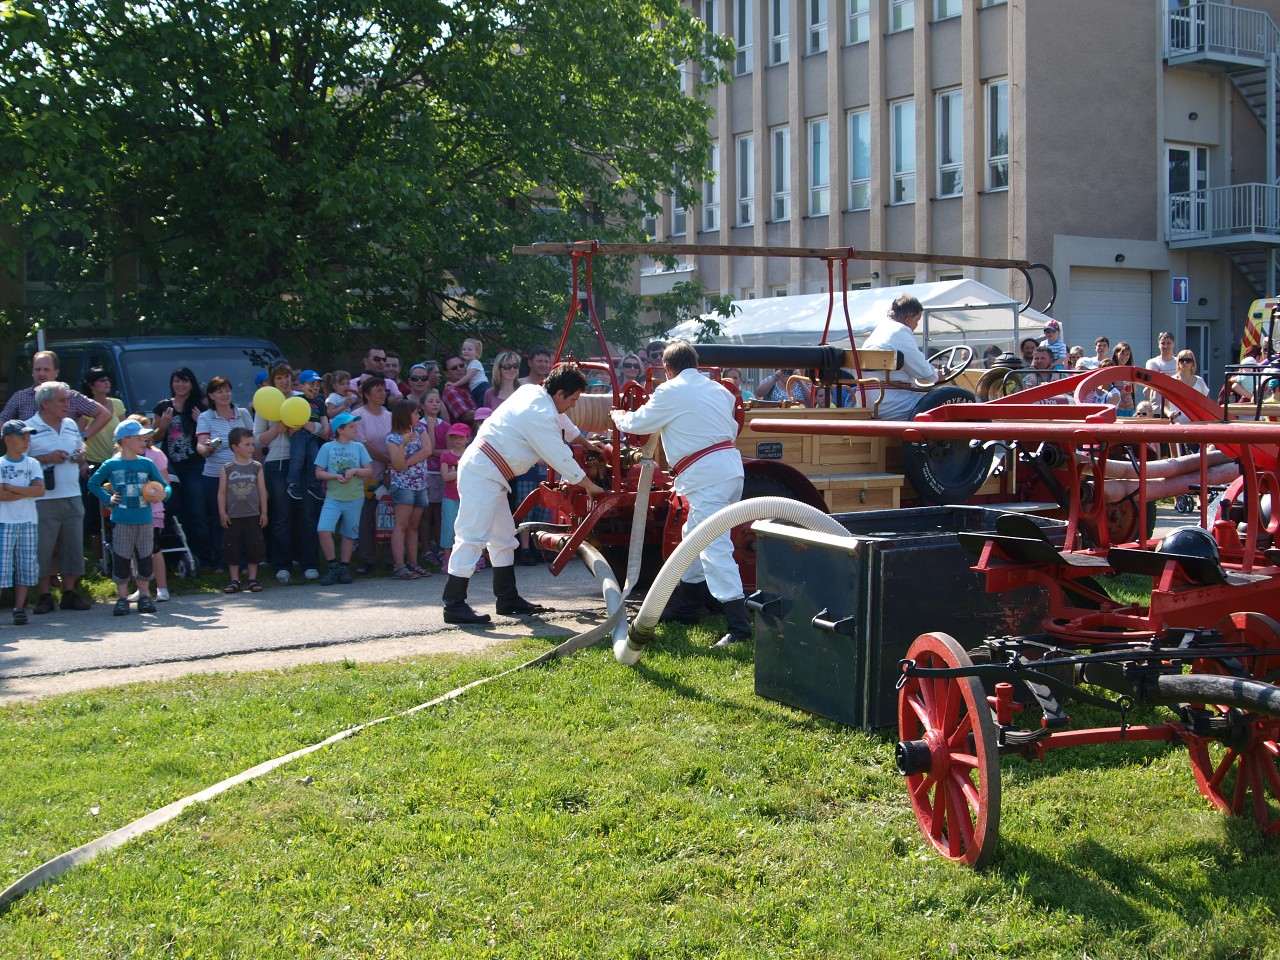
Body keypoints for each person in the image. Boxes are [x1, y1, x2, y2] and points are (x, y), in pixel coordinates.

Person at [443, 364, 605, 624]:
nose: (573, 405)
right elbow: (557, 453)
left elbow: (561, 421)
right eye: (573, 399)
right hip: (483, 472)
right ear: (560, 393)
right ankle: (454, 604)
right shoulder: (539, 413)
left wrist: (585, 443)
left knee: (503, 539)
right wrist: (588, 484)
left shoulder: (533, 393)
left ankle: (507, 599)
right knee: (471, 535)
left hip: (489, 472)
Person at [610, 342, 748, 646]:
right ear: (695, 363)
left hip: (706, 476)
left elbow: (639, 424)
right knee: (692, 538)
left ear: (667, 368)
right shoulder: (719, 390)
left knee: (713, 547)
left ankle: (739, 627)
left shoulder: (670, 391)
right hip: (729, 469)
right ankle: (687, 606)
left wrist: (617, 415)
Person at [87, 419, 170, 616]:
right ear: (125, 440)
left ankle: (145, 596)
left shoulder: (147, 464)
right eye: (139, 438)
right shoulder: (111, 464)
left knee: (145, 558)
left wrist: (163, 494)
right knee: (122, 558)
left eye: (145, 438)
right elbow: (93, 483)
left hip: (145, 519)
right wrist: (108, 499)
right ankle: (122, 598)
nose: (144, 441)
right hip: (121, 520)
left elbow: (165, 486)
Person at [25, 382, 92, 613]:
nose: (68, 404)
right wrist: (46, 458)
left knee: (73, 545)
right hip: (43, 498)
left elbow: (81, 445)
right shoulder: (29, 428)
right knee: (44, 548)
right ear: (45, 404)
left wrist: (81, 455)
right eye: (62, 400)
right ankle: (44, 595)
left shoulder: (71, 424)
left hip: (73, 493)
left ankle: (69, 593)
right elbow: (20, 461)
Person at [195, 376, 254, 568]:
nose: (224, 394)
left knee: (244, 517)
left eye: (227, 390)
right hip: (215, 475)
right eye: (219, 391)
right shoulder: (205, 417)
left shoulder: (243, 413)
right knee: (219, 519)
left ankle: (244, 561)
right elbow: (201, 447)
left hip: (243, 474)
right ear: (211, 395)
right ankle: (222, 561)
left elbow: (253, 442)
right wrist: (208, 448)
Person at [152, 367, 208, 566]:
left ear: (192, 384)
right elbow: (154, 438)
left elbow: (207, 435)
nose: (180, 385)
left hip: (194, 465)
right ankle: (173, 557)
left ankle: (201, 556)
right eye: (177, 381)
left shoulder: (199, 406)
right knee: (172, 508)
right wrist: (163, 425)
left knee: (197, 509)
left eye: (185, 381)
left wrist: (200, 421)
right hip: (169, 466)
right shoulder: (163, 406)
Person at [314, 412, 372, 586]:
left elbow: (369, 470)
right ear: (340, 430)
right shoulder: (327, 447)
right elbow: (318, 472)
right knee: (323, 529)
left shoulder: (359, 447)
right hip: (333, 497)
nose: (356, 429)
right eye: (351, 426)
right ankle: (333, 566)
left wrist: (355, 471)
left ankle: (344, 567)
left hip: (355, 497)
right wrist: (335, 476)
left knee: (349, 534)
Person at [859, 294, 939, 421]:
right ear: (908, 318)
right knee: (953, 399)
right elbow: (925, 374)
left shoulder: (880, 331)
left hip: (868, 401)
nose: (916, 326)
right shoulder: (900, 332)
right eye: (916, 320)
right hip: (895, 404)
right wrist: (938, 375)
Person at [0, 350, 111, 440]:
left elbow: (104, 414)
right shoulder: (20, 397)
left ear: (56, 372)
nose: (41, 373)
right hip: (31, 456)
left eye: (46, 370)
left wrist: (82, 437)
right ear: (32, 372)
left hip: (64, 455)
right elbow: (3, 420)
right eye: (37, 369)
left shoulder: (71, 396)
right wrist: (13, 442)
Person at [254, 363, 298, 583]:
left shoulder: (300, 399)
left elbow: (319, 428)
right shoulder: (266, 402)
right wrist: (277, 429)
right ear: (273, 381)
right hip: (276, 463)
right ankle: (281, 564)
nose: (284, 381)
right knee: (281, 514)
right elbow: (257, 439)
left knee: (302, 513)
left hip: (300, 462)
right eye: (279, 378)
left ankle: (303, 559)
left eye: (287, 376)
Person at [0, 420, 44, 624]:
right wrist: (27, 492)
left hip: (28, 521)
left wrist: (11, 488)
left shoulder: (32, 463)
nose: (27, 440)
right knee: (2, 566)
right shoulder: (1, 464)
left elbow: (40, 490)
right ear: (8, 439)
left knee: (26, 564)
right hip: (4, 521)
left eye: (28, 437)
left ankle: (19, 608)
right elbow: (1, 495)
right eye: (22, 436)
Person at [385, 398, 432, 580]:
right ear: (405, 415)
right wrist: (403, 444)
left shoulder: (420, 429)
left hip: (420, 484)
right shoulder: (392, 438)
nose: (418, 415)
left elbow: (427, 450)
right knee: (401, 525)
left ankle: (413, 563)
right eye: (415, 412)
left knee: (414, 526)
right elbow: (396, 464)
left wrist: (407, 463)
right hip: (403, 486)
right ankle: (399, 566)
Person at [218, 426, 268, 594]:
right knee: (232, 547)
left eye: (252, 444)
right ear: (235, 447)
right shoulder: (227, 468)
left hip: (253, 514)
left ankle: (252, 579)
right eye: (247, 444)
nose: (251, 448)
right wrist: (222, 513)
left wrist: (264, 512)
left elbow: (262, 491)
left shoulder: (257, 467)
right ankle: (234, 580)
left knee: (254, 546)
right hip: (233, 516)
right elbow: (221, 493)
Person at [128, 414, 171, 603]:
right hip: (131, 510)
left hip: (152, 510)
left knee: (154, 549)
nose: (145, 437)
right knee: (135, 550)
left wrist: (155, 491)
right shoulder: (123, 457)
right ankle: (142, 589)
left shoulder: (156, 455)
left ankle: (162, 588)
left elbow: (165, 482)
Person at [353, 377, 392, 573]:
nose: (382, 393)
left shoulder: (390, 416)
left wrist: (390, 465)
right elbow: (363, 445)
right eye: (377, 390)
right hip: (366, 473)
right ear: (367, 394)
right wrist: (387, 460)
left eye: (384, 390)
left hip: (388, 473)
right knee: (366, 516)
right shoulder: (357, 416)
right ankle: (366, 559)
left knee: (387, 515)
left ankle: (389, 558)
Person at [420, 388, 448, 566]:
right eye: (430, 401)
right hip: (425, 473)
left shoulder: (445, 426)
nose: (435, 404)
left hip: (441, 473)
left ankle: (440, 547)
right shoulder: (419, 425)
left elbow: (449, 450)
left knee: (439, 513)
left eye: (437, 401)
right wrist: (430, 429)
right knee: (426, 513)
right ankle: (426, 549)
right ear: (422, 405)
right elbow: (428, 450)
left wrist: (436, 452)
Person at [80, 367, 125, 470]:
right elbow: (79, 438)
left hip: (116, 461)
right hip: (93, 463)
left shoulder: (117, 403)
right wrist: (82, 462)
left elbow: (125, 433)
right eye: (102, 380)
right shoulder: (85, 407)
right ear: (91, 385)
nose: (107, 383)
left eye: (108, 380)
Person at [438, 423, 468, 572]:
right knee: (448, 528)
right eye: (454, 437)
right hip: (450, 497)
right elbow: (445, 476)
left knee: (466, 528)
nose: (457, 440)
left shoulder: (470, 454)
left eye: (461, 437)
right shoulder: (446, 455)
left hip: (467, 497)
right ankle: (447, 559)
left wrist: (454, 471)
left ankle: (466, 560)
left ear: (467, 439)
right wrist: (463, 468)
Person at [1167, 348, 1210, 423]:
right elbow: (1165, 406)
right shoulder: (1171, 381)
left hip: (1196, 424)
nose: (1184, 363)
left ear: (1193, 363)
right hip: (1176, 424)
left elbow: (1207, 404)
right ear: (1178, 363)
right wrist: (1169, 413)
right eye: (1181, 360)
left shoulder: (1200, 381)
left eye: (1188, 360)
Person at [442, 355, 477, 425]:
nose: (459, 369)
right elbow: (466, 415)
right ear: (447, 374)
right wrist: (491, 413)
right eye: (454, 368)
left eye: (461, 365)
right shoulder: (450, 390)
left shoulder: (471, 385)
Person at [460, 338, 490, 407]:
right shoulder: (468, 364)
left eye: (469, 349)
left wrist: (454, 384)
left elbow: (467, 377)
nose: (466, 351)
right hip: (475, 389)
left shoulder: (475, 363)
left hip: (481, 387)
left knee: (483, 405)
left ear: (476, 353)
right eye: (464, 349)